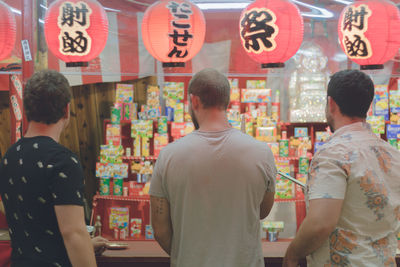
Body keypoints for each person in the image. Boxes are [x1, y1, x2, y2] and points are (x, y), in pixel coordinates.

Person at [149, 68, 277, 267]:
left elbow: (160, 229)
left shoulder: (168, 156)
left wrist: (186, 255)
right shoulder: (261, 152)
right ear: (228, 101)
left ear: (195, 101)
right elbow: (262, 211)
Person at [283, 70, 400, 267]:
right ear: (368, 105)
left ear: (331, 103)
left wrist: (292, 255)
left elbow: (320, 223)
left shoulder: (333, 153)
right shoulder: (392, 153)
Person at [0, 70, 107, 267]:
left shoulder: (10, 156)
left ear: (26, 109)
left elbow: (36, 225)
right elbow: (72, 232)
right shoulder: (62, 161)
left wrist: (86, 244)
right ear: (66, 110)